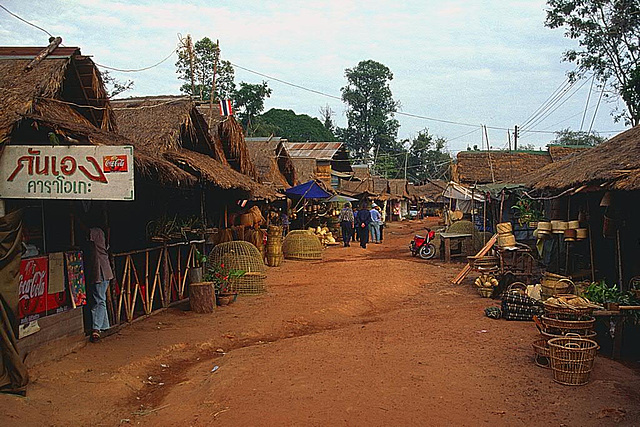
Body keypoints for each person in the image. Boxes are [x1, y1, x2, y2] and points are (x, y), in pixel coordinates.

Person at [84, 223, 113, 343]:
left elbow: (86, 231)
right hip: (105, 270)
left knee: (99, 300)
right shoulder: (103, 234)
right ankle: (104, 325)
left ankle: (96, 328)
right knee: (101, 298)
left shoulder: (96, 231)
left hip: (101, 270)